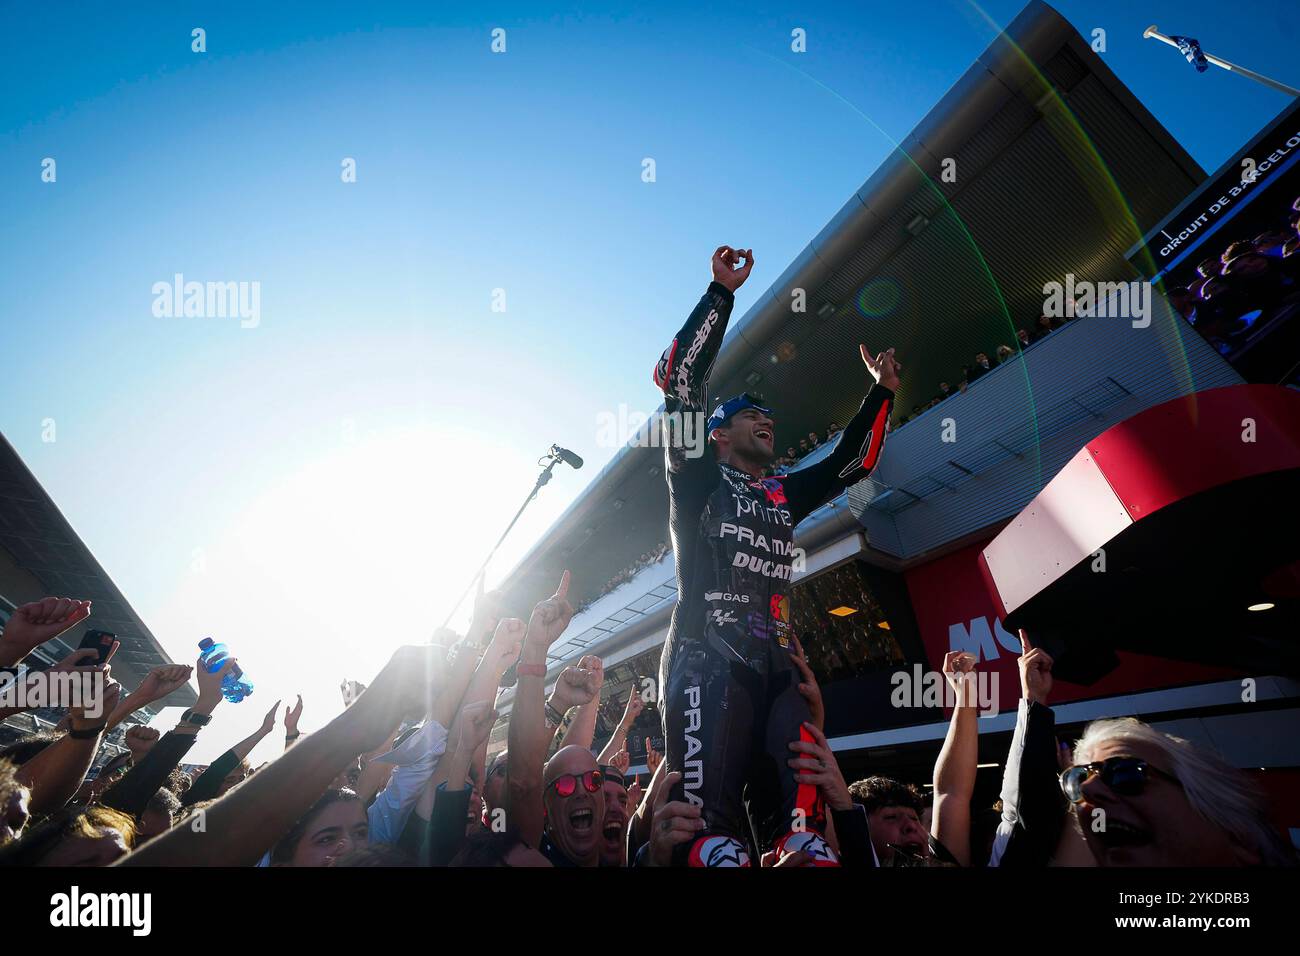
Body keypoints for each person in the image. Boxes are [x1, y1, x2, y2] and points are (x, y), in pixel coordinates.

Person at [649, 244, 899, 866]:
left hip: (779, 657)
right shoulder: (696, 474)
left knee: (799, 802)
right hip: (707, 653)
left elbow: (854, 461)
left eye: (768, 415)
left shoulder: (783, 491)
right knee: (711, 828)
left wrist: (882, 394)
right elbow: (681, 382)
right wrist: (720, 293)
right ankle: (711, 843)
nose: (768, 419)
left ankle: (798, 838)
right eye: (752, 414)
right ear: (718, 434)